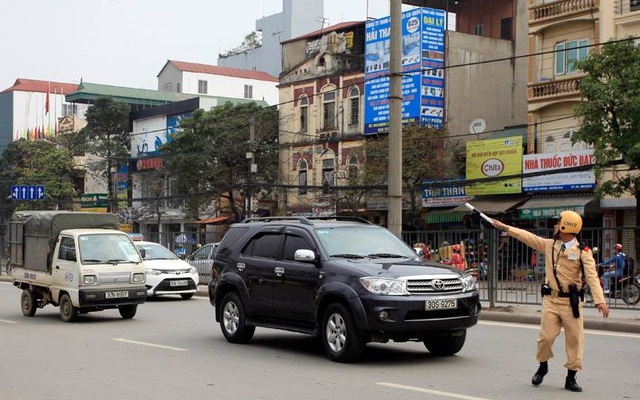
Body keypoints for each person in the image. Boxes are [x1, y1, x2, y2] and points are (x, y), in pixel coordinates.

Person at [491, 210, 609, 392]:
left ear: (566, 226)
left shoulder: (582, 252)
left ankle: (571, 377)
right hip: (551, 301)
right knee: (546, 337)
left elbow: (592, 277)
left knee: (575, 340)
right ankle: (543, 365)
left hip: (572, 303)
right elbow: (528, 237)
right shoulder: (549, 245)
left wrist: (600, 300)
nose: (555, 225)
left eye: (558, 222)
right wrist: (505, 227)